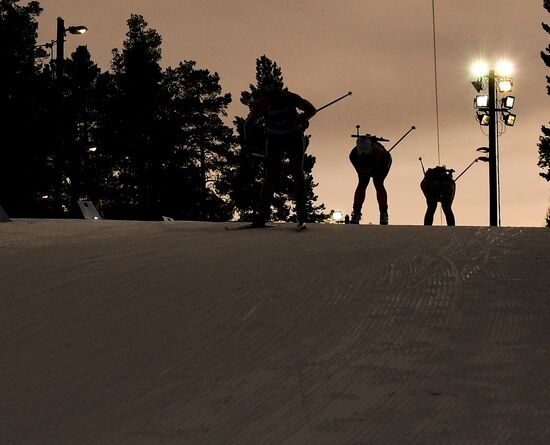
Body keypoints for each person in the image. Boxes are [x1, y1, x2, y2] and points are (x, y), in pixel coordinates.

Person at [244, 82, 316, 229]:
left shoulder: (290, 98)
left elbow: (311, 110)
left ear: (280, 92)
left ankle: (301, 214)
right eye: (269, 96)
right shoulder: (263, 103)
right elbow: (248, 123)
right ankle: (262, 215)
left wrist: (302, 118)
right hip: (274, 140)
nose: (272, 99)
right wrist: (249, 143)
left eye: (274, 95)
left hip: (293, 138)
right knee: (270, 176)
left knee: (297, 173)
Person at [349, 133, 392, 224]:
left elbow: (380, 168)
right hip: (364, 165)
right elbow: (360, 171)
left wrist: (374, 170)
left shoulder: (380, 154)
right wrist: (365, 171)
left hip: (382, 164)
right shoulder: (353, 155)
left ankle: (383, 214)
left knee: (378, 183)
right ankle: (356, 213)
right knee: (362, 183)